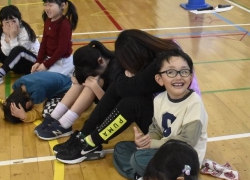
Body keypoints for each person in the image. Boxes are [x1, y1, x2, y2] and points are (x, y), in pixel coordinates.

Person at [53, 30, 188, 164]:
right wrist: (123, 73)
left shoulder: (165, 63)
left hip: (174, 131)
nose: (126, 66)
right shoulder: (162, 51)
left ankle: (90, 143)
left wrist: (121, 72)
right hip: (166, 118)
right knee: (118, 90)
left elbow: (123, 88)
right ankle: (84, 135)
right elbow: (121, 85)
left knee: (132, 103)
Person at [112, 50, 208, 180]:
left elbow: (187, 142)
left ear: (190, 77)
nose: (178, 77)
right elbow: (156, 129)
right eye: (171, 72)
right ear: (159, 79)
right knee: (121, 149)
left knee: (137, 159)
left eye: (184, 72)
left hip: (185, 159)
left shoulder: (194, 103)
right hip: (165, 151)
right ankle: (150, 178)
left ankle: (157, 178)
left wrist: (152, 145)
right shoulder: (159, 100)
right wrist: (145, 141)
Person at [35, 40, 114, 140]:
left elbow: (112, 106)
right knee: (81, 82)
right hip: (104, 95)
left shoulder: (116, 71)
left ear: (100, 61)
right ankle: (55, 116)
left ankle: (65, 124)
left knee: (93, 83)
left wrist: (95, 86)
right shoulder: (97, 58)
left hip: (113, 105)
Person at [32, 0, 78, 76]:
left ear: (62, 5)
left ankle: (71, 72)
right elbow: (44, 43)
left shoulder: (64, 25)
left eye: (50, 5)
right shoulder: (48, 21)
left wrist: (46, 64)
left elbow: (61, 49)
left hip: (62, 62)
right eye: (45, 4)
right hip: (51, 60)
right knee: (34, 76)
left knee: (45, 80)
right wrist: (39, 61)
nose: (47, 8)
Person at [0, 71, 71, 124]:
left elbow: (38, 113)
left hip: (67, 89)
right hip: (60, 80)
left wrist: (25, 116)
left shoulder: (37, 92)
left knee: (46, 112)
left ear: (28, 104)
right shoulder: (17, 85)